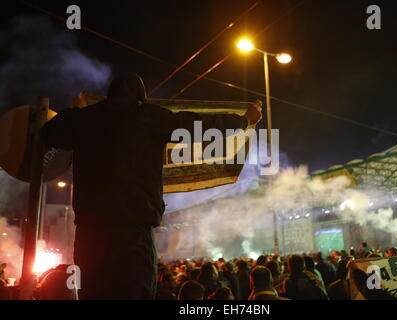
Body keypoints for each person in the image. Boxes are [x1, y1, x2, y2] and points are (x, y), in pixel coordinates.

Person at [42, 73, 262, 299]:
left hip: (90, 236)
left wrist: (78, 112)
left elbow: (48, 134)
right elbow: (200, 125)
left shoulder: (86, 119)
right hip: (134, 235)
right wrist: (243, 120)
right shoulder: (150, 117)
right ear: (141, 97)